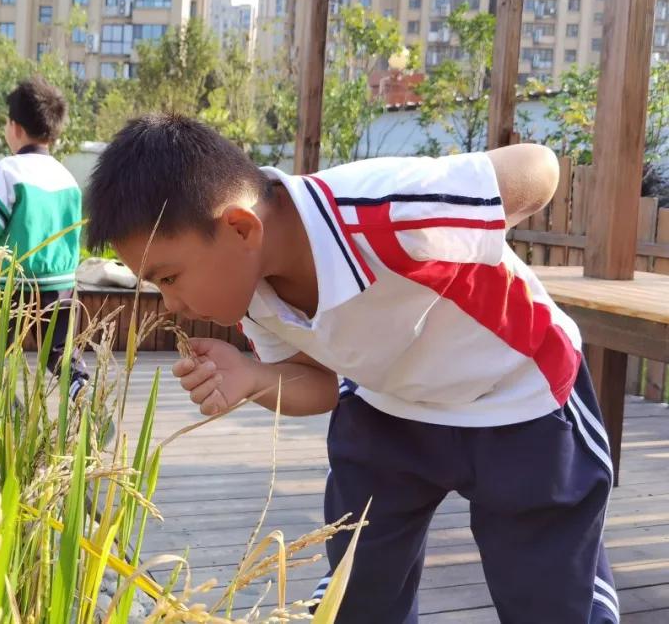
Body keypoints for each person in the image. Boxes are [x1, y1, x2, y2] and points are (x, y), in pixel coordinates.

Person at [84, 114, 617, 624]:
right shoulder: (252, 291)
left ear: (240, 229)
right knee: (358, 594)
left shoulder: (388, 210)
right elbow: (319, 383)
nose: (170, 304)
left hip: (522, 400)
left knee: (550, 601)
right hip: (386, 408)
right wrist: (252, 377)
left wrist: (472, 215)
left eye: (169, 277)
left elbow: (539, 165)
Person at [0, 75, 88, 400]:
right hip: (61, 285)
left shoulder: (7, 170)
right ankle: (84, 394)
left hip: (14, 284)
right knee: (58, 352)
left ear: (14, 127)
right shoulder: (66, 177)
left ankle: (6, 412)